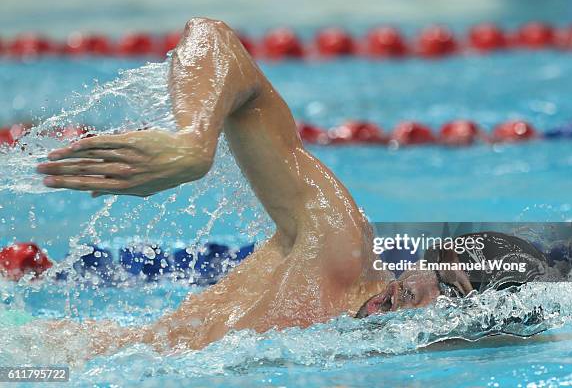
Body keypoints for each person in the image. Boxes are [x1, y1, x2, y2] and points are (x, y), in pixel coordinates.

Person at [35, 18, 544, 355]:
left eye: (449, 290)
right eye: (432, 263)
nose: (417, 284)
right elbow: (213, 38)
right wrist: (193, 143)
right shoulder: (337, 250)